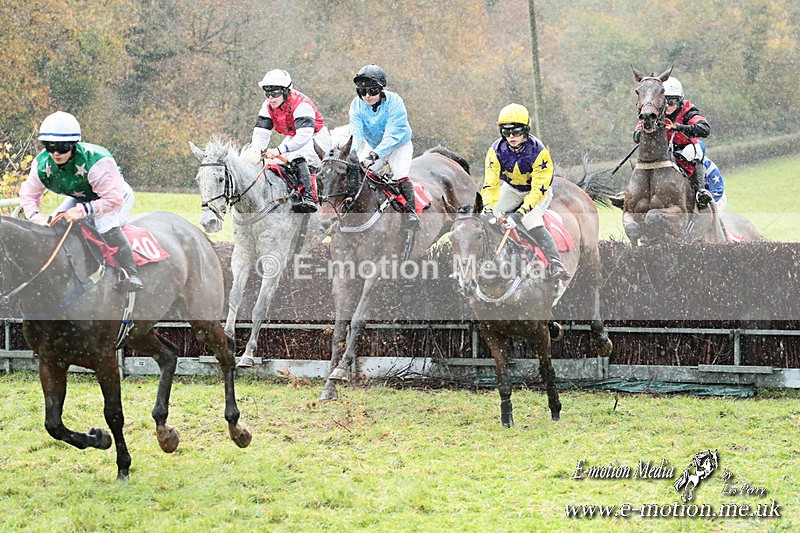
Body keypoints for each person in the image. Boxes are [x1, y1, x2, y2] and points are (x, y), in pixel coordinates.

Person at [19, 111, 143, 290]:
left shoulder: (97, 161)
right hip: (81, 197)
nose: (55, 153)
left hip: (114, 196)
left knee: (104, 225)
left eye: (62, 147)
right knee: (53, 224)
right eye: (49, 146)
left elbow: (113, 199)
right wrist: (36, 217)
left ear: (73, 144)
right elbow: (28, 194)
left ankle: (131, 274)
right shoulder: (42, 163)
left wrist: (83, 211)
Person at [482, 103, 567, 280]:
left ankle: (556, 263)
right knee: (488, 216)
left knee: (529, 219)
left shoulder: (539, 152)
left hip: (537, 192)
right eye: (506, 132)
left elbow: (537, 191)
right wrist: (489, 209)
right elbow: (490, 184)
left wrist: (518, 214)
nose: (511, 136)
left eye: (516, 131)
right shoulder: (495, 151)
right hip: (512, 189)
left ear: (526, 130)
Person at [247, 69, 332, 213]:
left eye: (275, 94)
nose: (271, 98)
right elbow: (261, 133)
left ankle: (308, 197)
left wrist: (278, 150)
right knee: (274, 164)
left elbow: (303, 137)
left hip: (315, 136)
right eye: (267, 93)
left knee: (297, 157)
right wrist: (258, 151)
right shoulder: (267, 106)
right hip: (294, 136)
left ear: (286, 91)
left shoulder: (301, 104)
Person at [349, 64, 418, 229]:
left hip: (399, 146)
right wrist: (354, 152)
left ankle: (411, 213)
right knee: (359, 173)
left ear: (381, 89)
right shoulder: (356, 105)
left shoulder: (395, 102)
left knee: (400, 175)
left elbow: (392, 135)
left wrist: (374, 155)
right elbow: (356, 133)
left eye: (371, 91)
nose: (366, 96)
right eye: (362, 92)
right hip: (374, 147)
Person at [634, 75, 713, 207]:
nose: (669, 106)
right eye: (667, 101)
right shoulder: (654, 113)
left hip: (682, 150)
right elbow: (636, 135)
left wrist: (679, 127)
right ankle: (632, 193)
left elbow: (704, 128)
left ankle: (700, 191)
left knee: (695, 150)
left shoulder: (688, 111)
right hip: (661, 151)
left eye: (673, 101)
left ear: (680, 100)